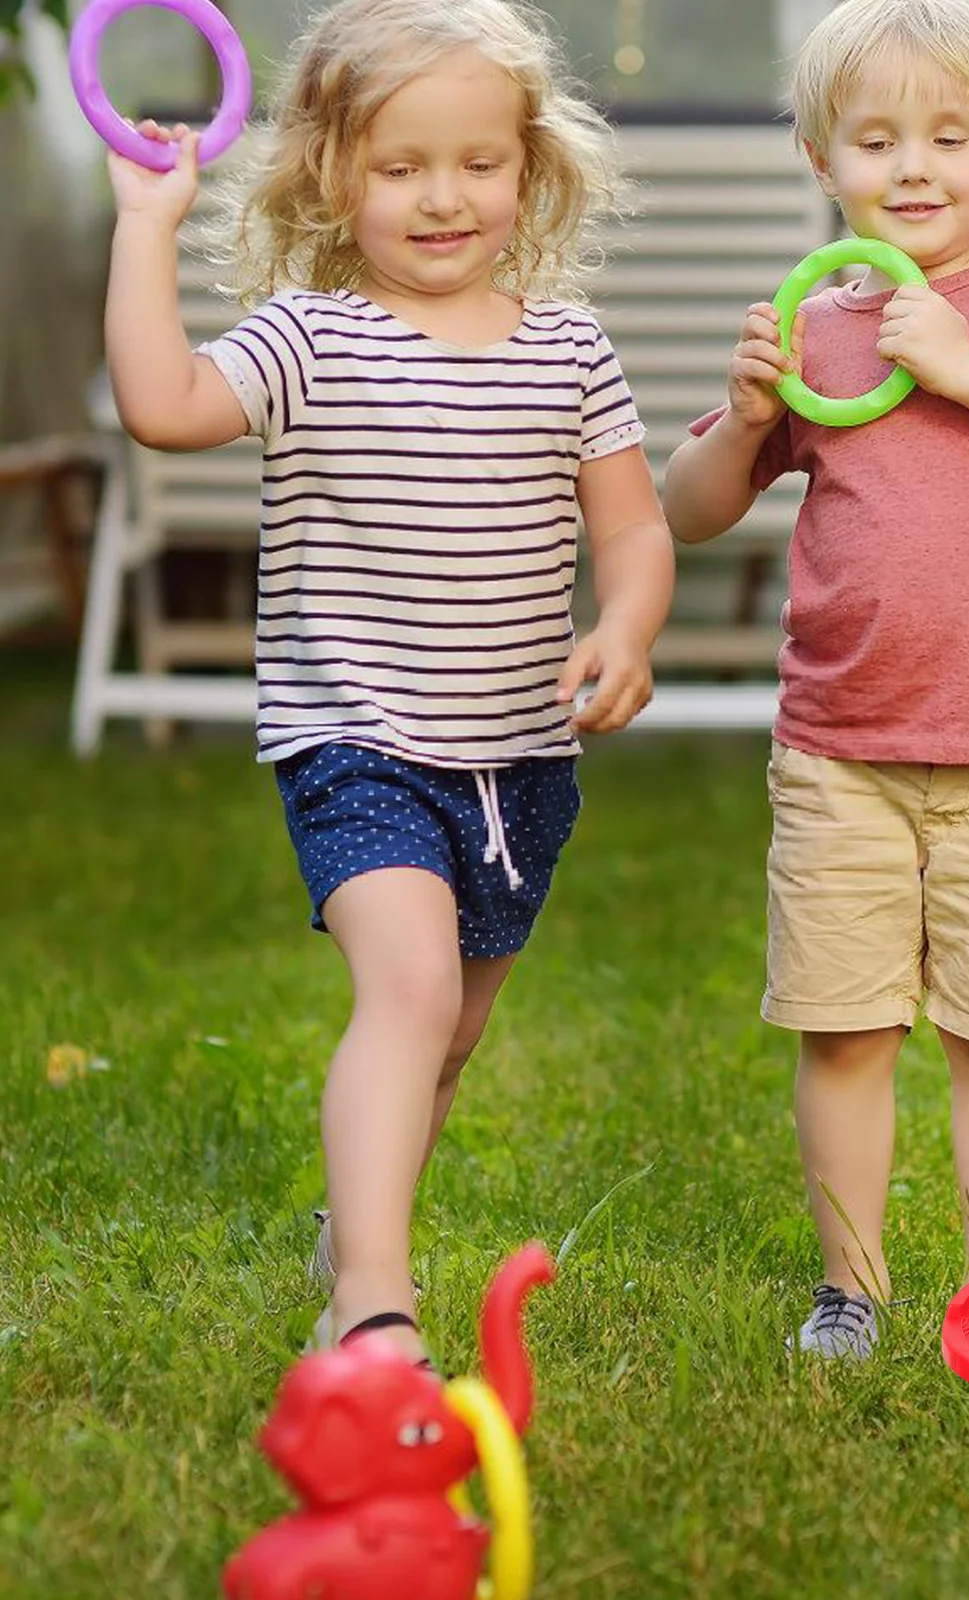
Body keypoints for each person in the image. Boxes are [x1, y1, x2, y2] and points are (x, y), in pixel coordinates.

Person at [103, 0, 674, 1368]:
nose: (441, 196)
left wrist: (631, 627)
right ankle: (372, 1300)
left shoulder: (568, 351)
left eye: (477, 162)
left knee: (452, 1036)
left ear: (527, 171)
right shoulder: (307, 337)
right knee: (409, 991)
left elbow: (636, 528)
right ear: (331, 174)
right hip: (353, 738)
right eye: (400, 165)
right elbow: (164, 405)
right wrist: (146, 226)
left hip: (519, 761)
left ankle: (357, 1219)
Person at [662, 0, 969, 1360]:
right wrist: (752, 421)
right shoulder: (818, 319)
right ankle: (855, 1288)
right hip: (844, 751)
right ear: (826, 161)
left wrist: (961, 365)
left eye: (951, 135)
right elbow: (688, 508)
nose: (915, 167)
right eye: (876, 139)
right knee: (845, 1027)